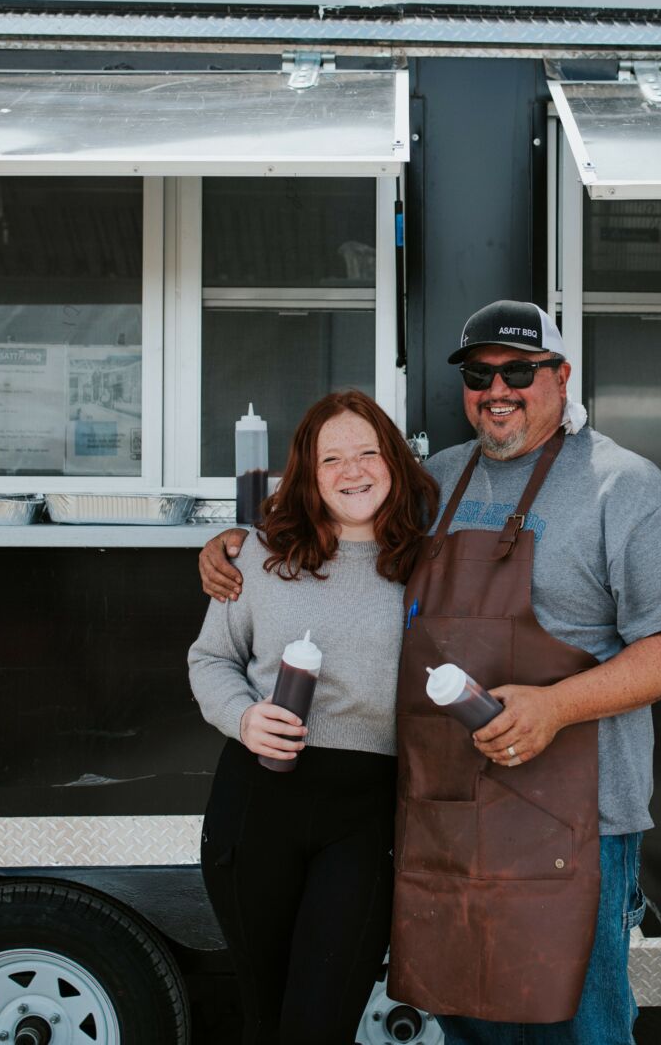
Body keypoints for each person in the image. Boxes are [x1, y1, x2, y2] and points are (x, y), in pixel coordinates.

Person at [201, 300, 661, 1045]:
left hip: (572, 824)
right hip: (447, 815)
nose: (498, 389)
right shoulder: (436, 481)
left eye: (520, 371)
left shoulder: (623, 486)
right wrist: (236, 544)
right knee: (473, 1031)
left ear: (561, 375)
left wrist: (555, 707)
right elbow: (335, 512)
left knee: (580, 1032)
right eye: (479, 375)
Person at [188, 389, 438, 1045]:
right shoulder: (260, 555)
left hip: (366, 816)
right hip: (258, 802)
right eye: (332, 459)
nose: (352, 471)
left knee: (319, 1024)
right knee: (264, 1019)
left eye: (367, 453)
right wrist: (244, 717)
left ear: (393, 462)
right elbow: (210, 659)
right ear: (308, 471)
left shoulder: (428, 566)